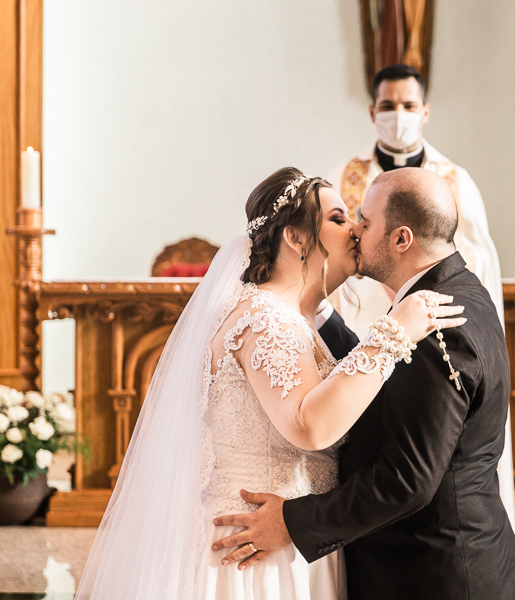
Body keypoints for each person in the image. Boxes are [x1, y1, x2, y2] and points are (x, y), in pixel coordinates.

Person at [74, 167, 465, 600]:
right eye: (338, 219)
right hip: (253, 554)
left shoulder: (295, 320)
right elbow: (309, 426)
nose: (356, 229)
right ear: (295, 238)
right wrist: (393, 335)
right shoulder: (266, 321)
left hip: (291, 542)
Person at [213, 169, 515, 600]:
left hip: (436, 576)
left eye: (363, 220)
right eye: (343, 218)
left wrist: (293, 522)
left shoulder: (435, 324)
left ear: (401, 239)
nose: (356, 230)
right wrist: (313, 308)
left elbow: (408, 478)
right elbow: (376, 383)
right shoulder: (454, 294)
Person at [328, 62, 515, 531]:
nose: (398, 116)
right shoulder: (344, 177)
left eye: (408, 106)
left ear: (425, 111)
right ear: (373, 111)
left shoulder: (455, 181)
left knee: (430, 464)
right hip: (362, 328)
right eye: (388, 106)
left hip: (434, 325)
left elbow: (480, 264)